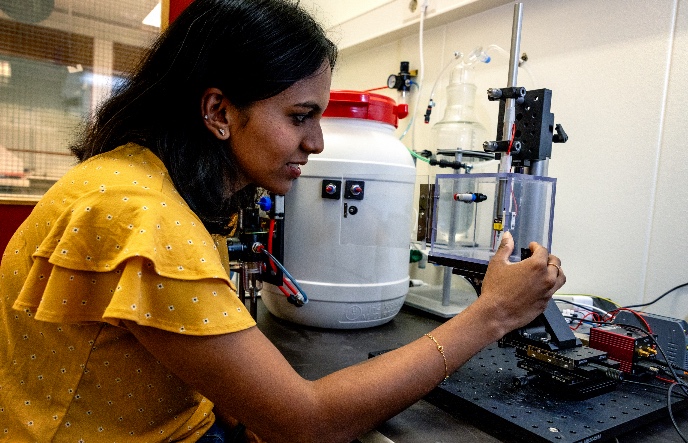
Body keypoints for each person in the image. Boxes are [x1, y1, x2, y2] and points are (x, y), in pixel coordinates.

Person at [0, 0, 566, 441]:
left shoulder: (138, 178)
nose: (316, 142)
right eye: (300, 117)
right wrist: (492, 314)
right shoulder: (139, 217)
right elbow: (306, 424)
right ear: (219, 112)